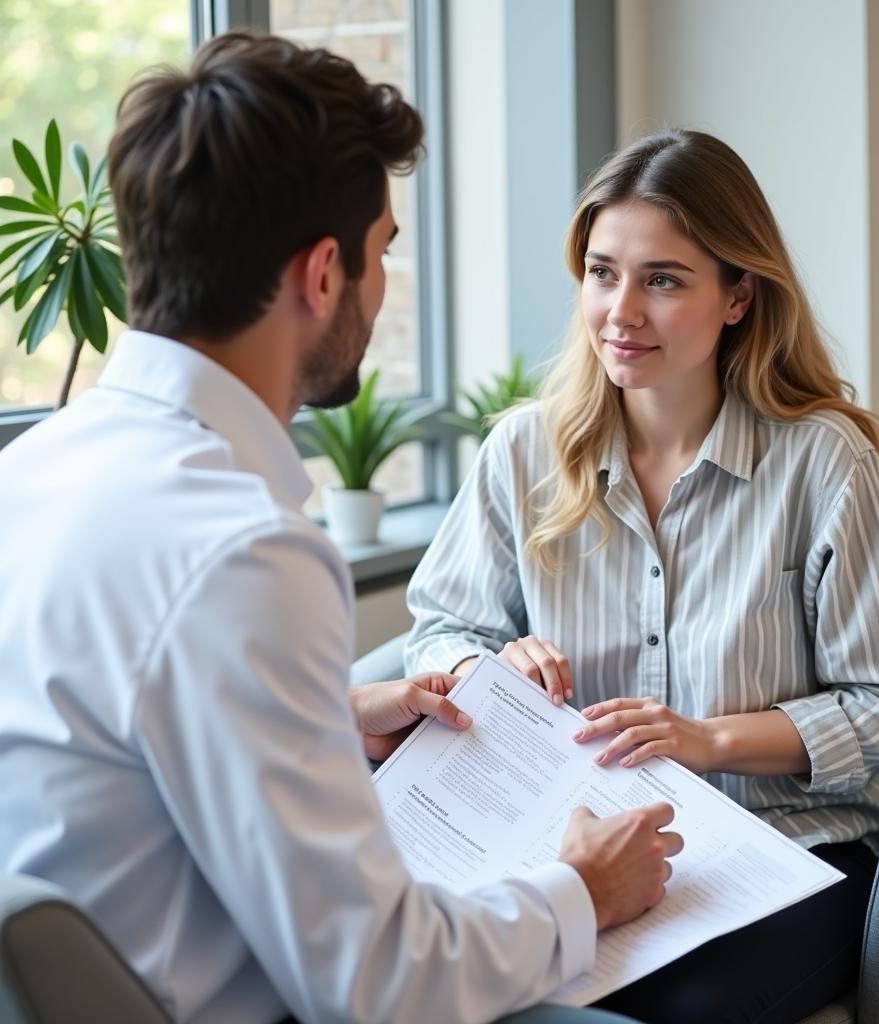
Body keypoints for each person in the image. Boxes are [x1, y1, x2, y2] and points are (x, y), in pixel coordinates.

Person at [0, 32, 683, 1024]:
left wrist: (329, 715)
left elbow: (107, 757)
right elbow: (376, 986)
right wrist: (584, 886)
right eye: (381, 253)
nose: (380, 282)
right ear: (324, 274)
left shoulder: (32, 471)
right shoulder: (242, 553)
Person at [404, 129, 879, 1023]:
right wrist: (487, 668)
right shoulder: (523, 452)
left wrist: (706, 739)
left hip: (791, 848)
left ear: (738, 295)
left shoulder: (822, 463)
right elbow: (440, 629)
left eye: (663, 280)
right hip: (573, 847)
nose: (622, 311)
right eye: (603, 272)